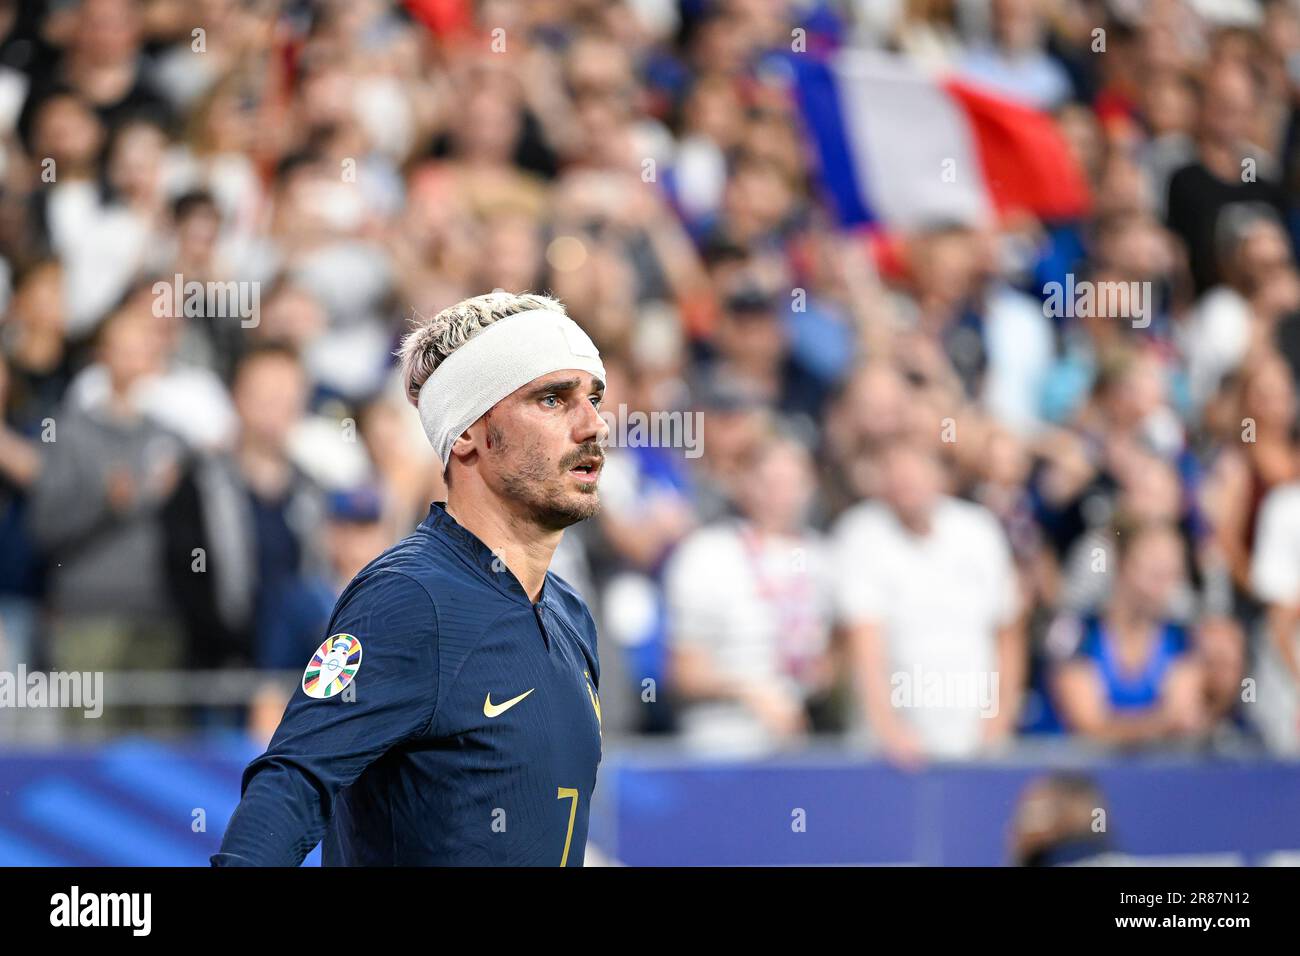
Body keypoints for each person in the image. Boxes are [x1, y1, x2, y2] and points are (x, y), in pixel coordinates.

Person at [213, 292, 606, 866]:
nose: (592, 423)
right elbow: (293, 782)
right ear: (469, 434)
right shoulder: (407, 599)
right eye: (552, 399)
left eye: (593, 398)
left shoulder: (570, 614)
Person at [832, 437, 1025, 764]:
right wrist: (889, 730)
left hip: (976, 744)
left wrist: (1001, 718)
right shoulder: (861, 534)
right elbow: (863, 645)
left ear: (940, 476)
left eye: (915, 475)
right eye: (896, 476)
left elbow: (1007, 632)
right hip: (893, 755)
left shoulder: (980, 530)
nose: (906, 486)